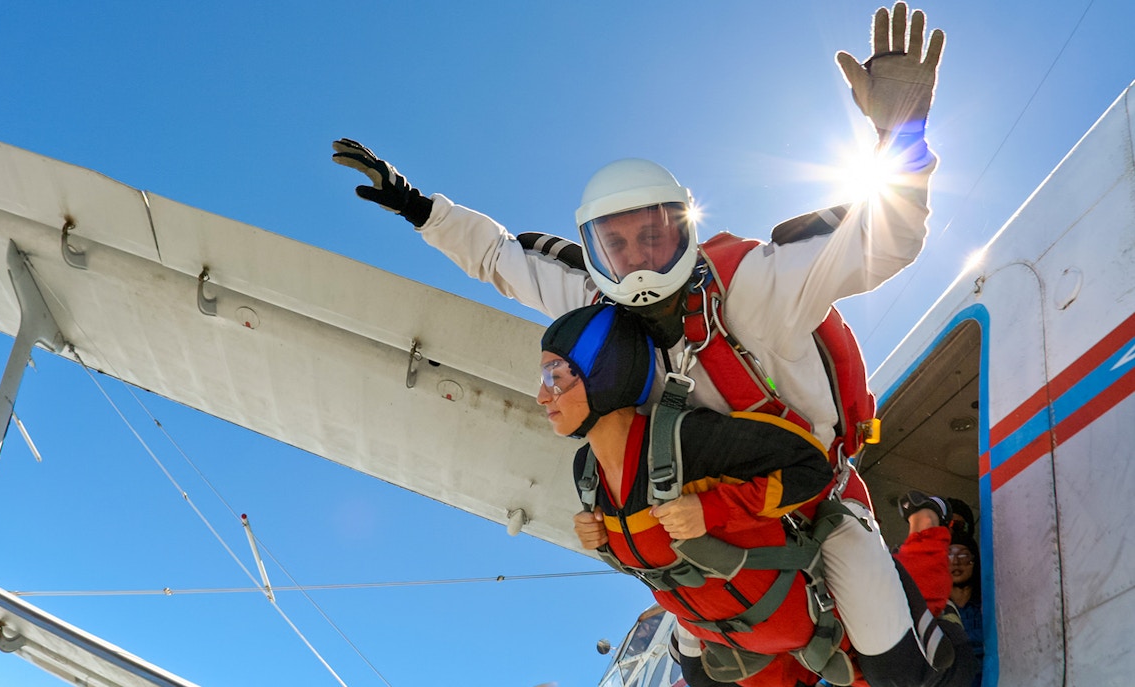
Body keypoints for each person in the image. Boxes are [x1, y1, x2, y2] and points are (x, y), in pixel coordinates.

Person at [334, 1, 948, 679]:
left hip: (814, 502)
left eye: (654, 234)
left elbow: (883, 241)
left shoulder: (753, 288)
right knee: (699, 670)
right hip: (701, 524)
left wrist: (902, 135)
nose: (640, 258)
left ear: (683, 227)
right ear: (594, 250)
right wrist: (421, 208)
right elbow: (502, 261)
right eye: (617, 243)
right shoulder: (598, 310)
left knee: (897, 672)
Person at [543, 304, 978, 687]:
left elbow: (811, 468)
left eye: (555, 377)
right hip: (732, 625)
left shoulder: (686, 440)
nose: (542, 395)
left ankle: (927, 541)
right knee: (701, 677)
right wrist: (603, 540)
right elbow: (648, 550)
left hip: (789, 597)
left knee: (901, 674)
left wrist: (711, 509)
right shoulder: (587, 474)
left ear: (603, 372)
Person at [948, 529, 984, 687]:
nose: (955, 562)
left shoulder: (988, 608)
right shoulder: (934, 611)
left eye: (963, 555)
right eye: (949, 554)